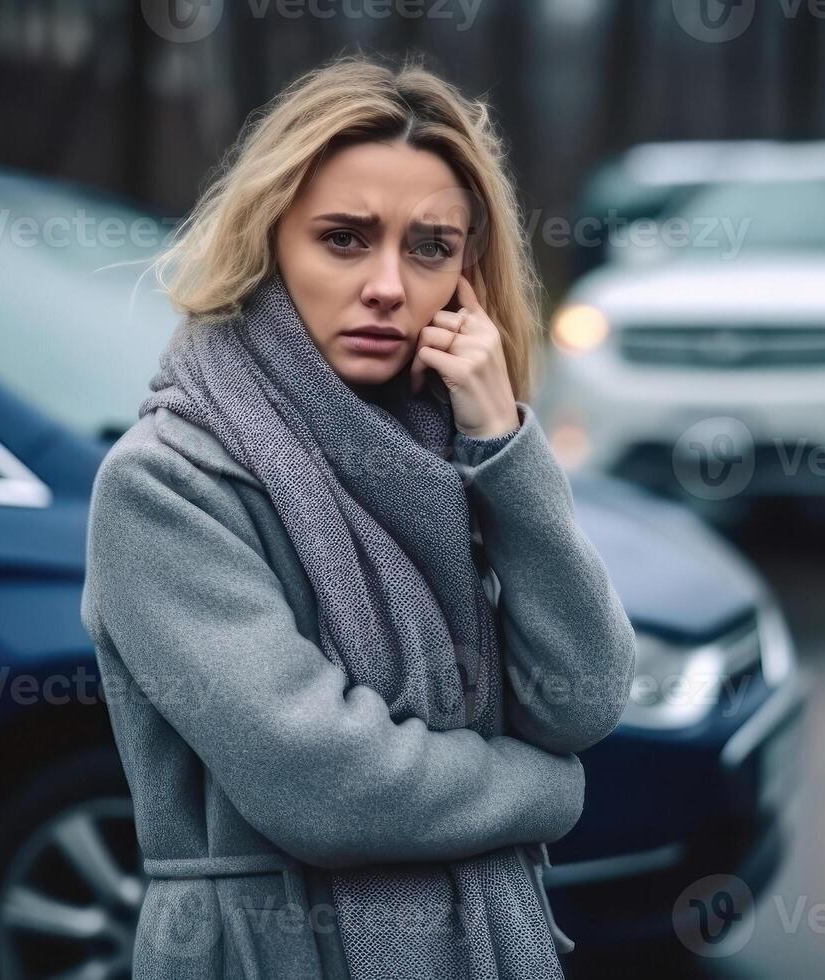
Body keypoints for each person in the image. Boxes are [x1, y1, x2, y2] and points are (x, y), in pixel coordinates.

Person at [79, 52, 637, 979]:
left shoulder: (450, 447)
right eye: (344, 238)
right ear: (270, 242)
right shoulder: (167, 484)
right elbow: (324, 785)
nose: (388, 284)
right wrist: (541, 790)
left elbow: (581, 695)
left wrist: (504, 446)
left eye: (429, 247)